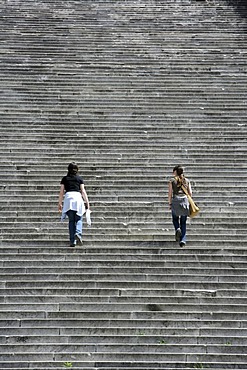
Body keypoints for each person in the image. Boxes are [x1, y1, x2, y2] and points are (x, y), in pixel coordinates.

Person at [58, 162, 90, 247]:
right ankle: (78, 234)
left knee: (71, 221)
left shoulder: (65, 179)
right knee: (79, 218)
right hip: (77, 198)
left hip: (68, 198)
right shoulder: (79, 179)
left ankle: (72, 241)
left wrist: (60, 203)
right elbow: (83, 191)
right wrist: (87, 202)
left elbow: (61, 192)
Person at [168, 165, 192, 247]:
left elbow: (170, 193)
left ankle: (177, 228)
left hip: (176, 201)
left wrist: (170, 203)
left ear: (175, 172)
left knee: (175, 219)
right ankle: (183, 240)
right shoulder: (187, 181)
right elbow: (190, 193)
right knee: (183, 222)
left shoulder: (172, 181)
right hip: (184, 201)